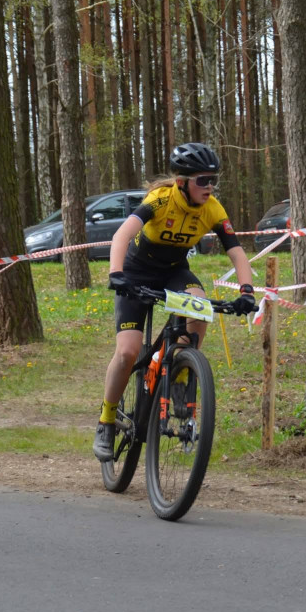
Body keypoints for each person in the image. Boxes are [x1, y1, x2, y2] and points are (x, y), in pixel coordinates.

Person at [93, 142, 257, 461]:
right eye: (202, 180)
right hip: (137, 272)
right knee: (127, 352)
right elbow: (122, 235)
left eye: (213, 180)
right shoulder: (160, 200)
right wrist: (116, 274)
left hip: (173, 272)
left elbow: (236, 251)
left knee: (201, 308)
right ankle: (106, 421)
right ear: (182, 182)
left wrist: (247, 291)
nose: (209, 187)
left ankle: (181, 372)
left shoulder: (213, 209)